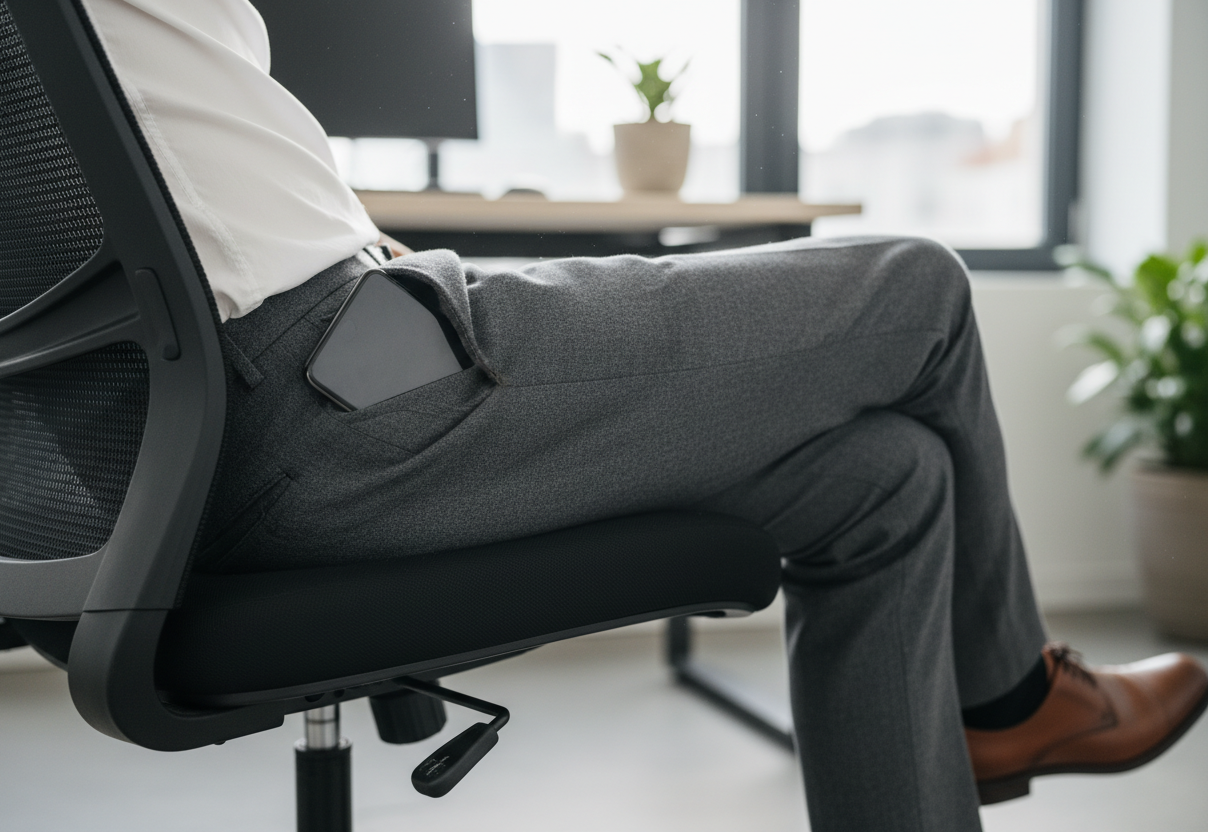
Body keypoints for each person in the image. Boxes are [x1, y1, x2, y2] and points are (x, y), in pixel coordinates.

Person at [78, 1, 1208, 829]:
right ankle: (1009, 698)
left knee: (889, 475)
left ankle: (984, 725)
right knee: (919, 290)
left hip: (214, 435)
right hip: (332, 397)